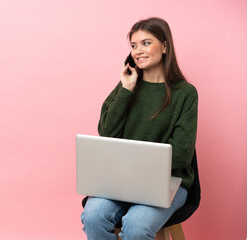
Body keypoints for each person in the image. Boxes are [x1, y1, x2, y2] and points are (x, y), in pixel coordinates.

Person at [80, 17, 198, 240]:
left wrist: (135, 166)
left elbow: (181, 155)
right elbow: (107, 134)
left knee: (136, 225)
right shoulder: (127, 85)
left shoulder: (185, 93)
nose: (138, 51)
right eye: (133, 45)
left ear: (164, 47)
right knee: (93, 216)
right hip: (120, 181)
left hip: (167, 183)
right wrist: (126, 91)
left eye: (146, 43)